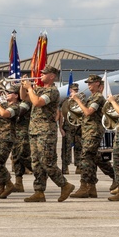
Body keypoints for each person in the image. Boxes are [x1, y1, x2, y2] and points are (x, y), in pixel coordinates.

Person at [21, 65, 75, 202]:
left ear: (52, 76)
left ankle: (65, 184)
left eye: (44, 73)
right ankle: (39, 191)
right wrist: (23, 86)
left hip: (45, 131)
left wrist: (30, 88)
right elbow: (24, 97)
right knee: (36, 163)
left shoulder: (52, 91)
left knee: (47, 162)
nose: (41, 75)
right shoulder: (39, 89)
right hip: (34, 130)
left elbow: (37, 102)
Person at [70, 75, 114, 198]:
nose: (88, 85)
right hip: (87, 131)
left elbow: (89, 112)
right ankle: (93, 187)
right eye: (88, 83)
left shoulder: (98, 97)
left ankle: (84, 186)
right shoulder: (92, 97)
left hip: (93, 132)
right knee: (94, 158)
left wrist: (78, 100)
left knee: (85, 157)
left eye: (91, 83)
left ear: (98, 84)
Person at [0, 89, 21, 198]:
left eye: (9, 93)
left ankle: (9, 184)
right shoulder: (4, 104)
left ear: (16, 95)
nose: (7, 94)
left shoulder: (16, 107)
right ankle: (0, 187)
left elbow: (4, 113)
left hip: (6, 137)